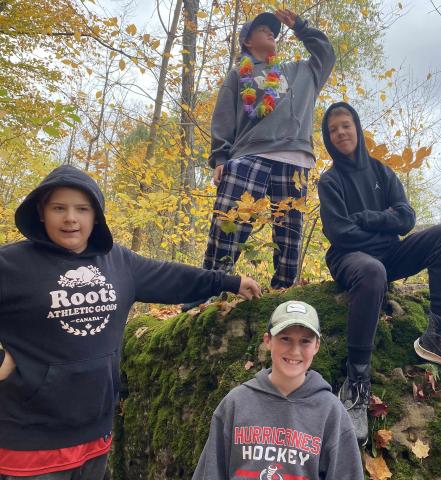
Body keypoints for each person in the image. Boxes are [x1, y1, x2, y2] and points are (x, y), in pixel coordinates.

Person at [0, 165, 261, 479]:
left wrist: (228, 281)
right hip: (29, 440)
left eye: (82, 209)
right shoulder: (11, 265)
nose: (71, 218)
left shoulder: (118, 262)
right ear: (41, 213)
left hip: (95, 433)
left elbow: (173, 277)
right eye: (59, 208)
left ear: (96, 216)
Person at [317, 102, 441, 443]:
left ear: (357, 128)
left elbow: (407, 218)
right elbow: (339, 233)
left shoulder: (382, 172)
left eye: (345, 125)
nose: (340, 133)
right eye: (333, 129)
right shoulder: (330, 181)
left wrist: (369, 219)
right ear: (328, 137)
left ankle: (438, 335)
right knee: (373, 271)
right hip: (350, 259)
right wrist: (386, 222)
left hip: (389, 253)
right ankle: (356, 382)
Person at [183, 9, 336, 311]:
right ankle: (210, 286)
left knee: (289, 231)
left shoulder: (302, 71)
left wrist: (301, 27)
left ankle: (284, 292)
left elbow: (326, 53)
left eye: (273, 29)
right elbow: (223, 117)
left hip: (295, 158)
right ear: (247, 41)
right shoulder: (240, 74)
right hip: (248, 154)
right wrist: (220, 158)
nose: (271, 31)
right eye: (262, 28)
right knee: (228, 222)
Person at [192, 300, 363, 480]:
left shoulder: (332, 412)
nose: (295, 351)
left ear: (316, 347)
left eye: (305, 341)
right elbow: (210, 472)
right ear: (268, 341)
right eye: (285, 338)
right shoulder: (235, 403)